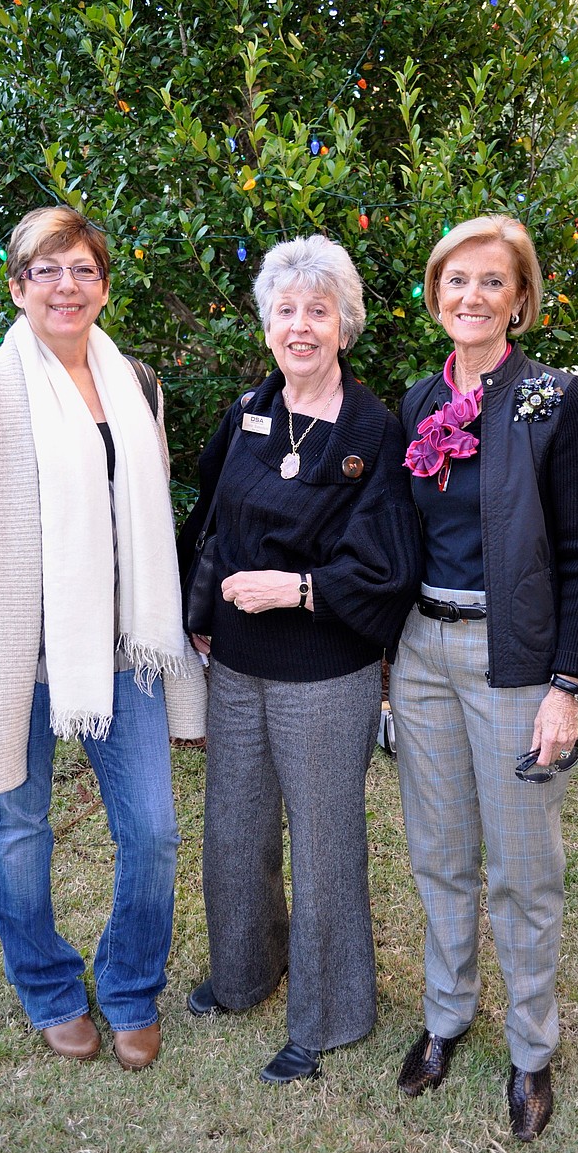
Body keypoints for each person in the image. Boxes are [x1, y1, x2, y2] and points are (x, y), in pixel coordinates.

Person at [0, 206, 188, 1070]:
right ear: (17, 285)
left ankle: (132, 985)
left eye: (82, 269)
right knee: (22, 829)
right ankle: (46, 986)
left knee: (152, 830)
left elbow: (150, 512)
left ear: (104, 285)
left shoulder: (137, 385)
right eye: (46, 269)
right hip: (17, 657)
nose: (65, 285)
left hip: (125, 648)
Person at [177, 234, 423, 1084]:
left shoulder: (373, 428)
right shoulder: (249, 410)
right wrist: (201, 613)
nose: (301, 326)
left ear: (344, 325)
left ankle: (330, 1012)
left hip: (326, 669)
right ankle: (246, 973)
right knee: (235, 831)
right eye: (286, 311)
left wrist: (302, 589)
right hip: (238, 667)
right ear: (269, 324)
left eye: (318, 310)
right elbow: (212, 521)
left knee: (324, 844)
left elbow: (389, 561)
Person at [389, 215, 578, 1140]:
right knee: (439, 854)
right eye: (454, 280)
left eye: (491, 282)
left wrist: (566, 685)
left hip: (515, 660)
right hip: (421, 653)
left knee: (522, 870)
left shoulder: (554, 400)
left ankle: (529, 1050)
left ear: (520, 298)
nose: (469, 297)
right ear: (435, 294)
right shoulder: (410, 403)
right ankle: (446, 1016)